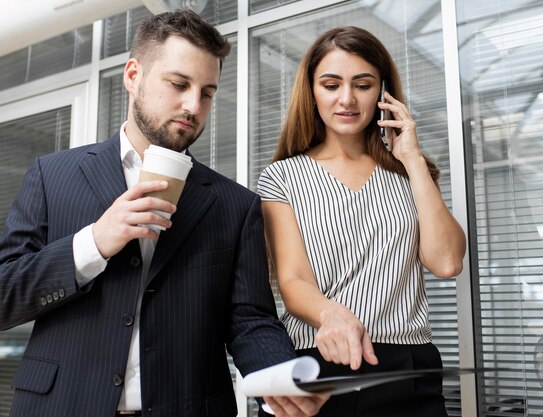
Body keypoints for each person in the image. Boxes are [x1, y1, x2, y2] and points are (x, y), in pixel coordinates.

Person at [0, 10, 326, 417]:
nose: (193, 105)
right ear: (133, 75)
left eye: (207, 92)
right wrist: (93, 244)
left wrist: (281, 378)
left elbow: (250, 320)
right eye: (179, 84)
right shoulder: (52, 175)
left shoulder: (235, 205)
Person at [257, 26, 466, 417]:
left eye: (363, 84)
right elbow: (293, 280)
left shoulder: (411, 175)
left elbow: (448, 262)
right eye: (331, 84)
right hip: (319, 363)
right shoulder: (282, 177)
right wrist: (332, 316)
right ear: (312, 91)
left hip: (409, 368)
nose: (347, 99)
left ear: (383, 93)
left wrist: (413, 160)